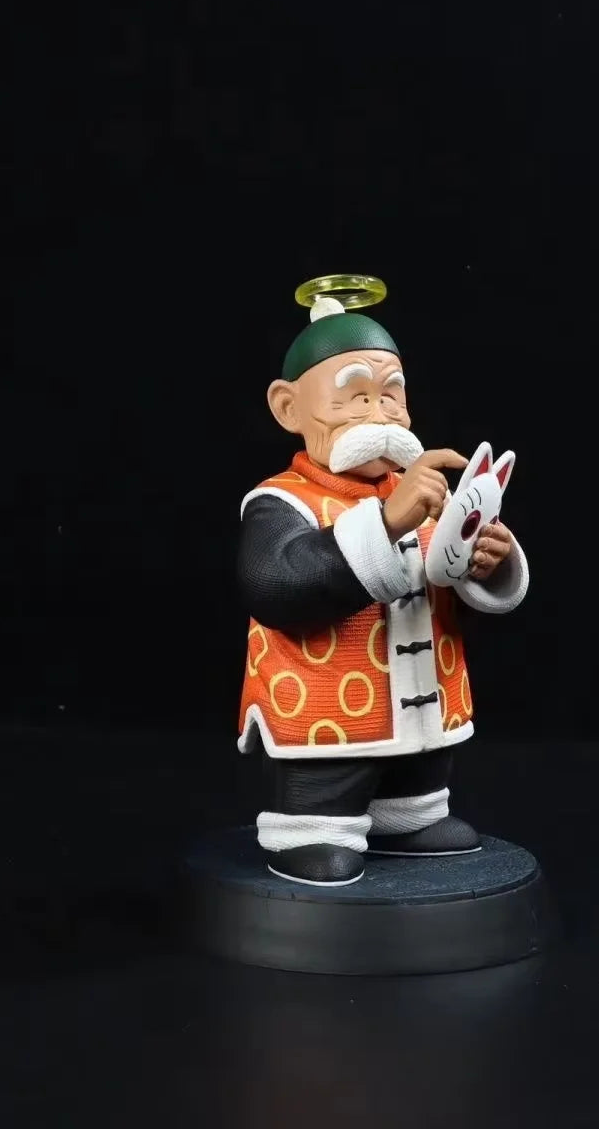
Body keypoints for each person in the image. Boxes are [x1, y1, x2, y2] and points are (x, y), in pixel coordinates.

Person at [236, 292, 529, 885]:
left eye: (391, 394)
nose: (380, 413)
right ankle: (312, 830)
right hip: (322, 700)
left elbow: (445, 574)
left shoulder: (423, 491)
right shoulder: (281, 501)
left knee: (420, 764)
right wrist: (389, 522)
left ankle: (407, 815)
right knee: (328, 774)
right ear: (289, 407)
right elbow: (275, 586)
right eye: (355, 397)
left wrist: (487, 562)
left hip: (423, 696)